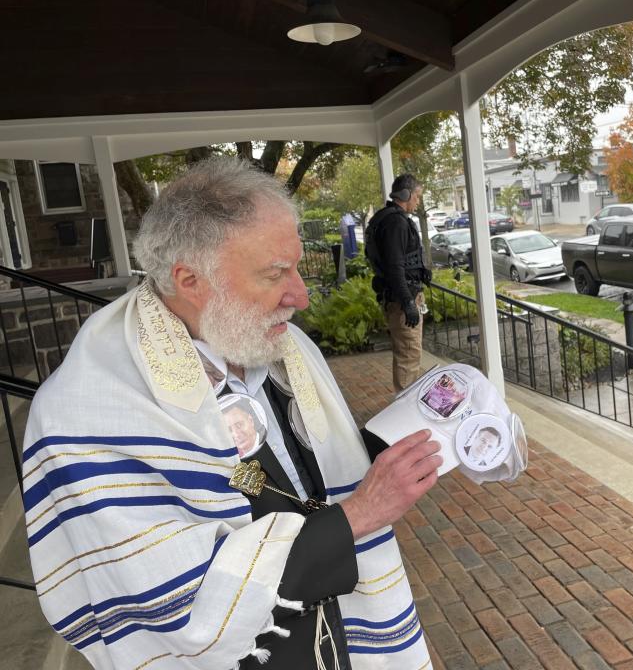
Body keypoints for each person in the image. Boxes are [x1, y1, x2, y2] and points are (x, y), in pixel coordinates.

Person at [21, 158, 441, 670]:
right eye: (275, 274)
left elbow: (311, 472)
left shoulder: (284, 347)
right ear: (190, 280)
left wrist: (404, 446)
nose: (301, 296)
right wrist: (361, 515)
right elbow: (170, 602)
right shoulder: (87, 411)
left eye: (297, 267)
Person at [365, 174, 432, 392]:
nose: (418, 202)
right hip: (402, 300)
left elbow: (400, 259)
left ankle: (406, 407)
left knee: (407, 356)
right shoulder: (396, 223)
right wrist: (408, 302)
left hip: (400, 296)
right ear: (406, 194)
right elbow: (395, 267)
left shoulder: (388, 218)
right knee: (409, 358)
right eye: (417, 196)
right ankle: (405, 415)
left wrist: (422, 271)